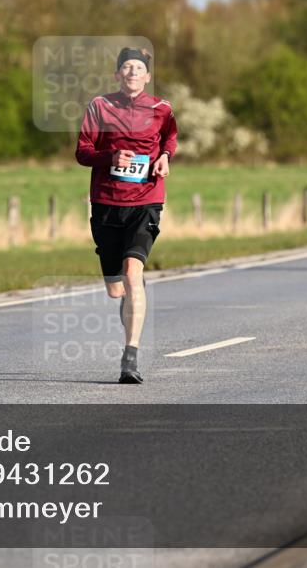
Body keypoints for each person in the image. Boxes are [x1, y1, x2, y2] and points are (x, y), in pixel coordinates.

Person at [75, 47, 177, 384]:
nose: (132, 72)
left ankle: (129, 356)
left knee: (133, 272)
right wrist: (111, 157)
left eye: (139, 68)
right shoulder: (100, 107)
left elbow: (170, 139)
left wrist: (164, 157)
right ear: (117, 75)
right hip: (106, 203)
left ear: (147, 76)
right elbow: (83, 152)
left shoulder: (162, 109)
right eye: (126, 67)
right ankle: (131, 288)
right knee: (116, 289)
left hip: (146, 201)